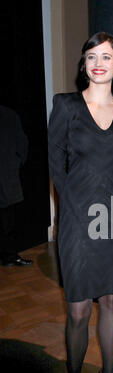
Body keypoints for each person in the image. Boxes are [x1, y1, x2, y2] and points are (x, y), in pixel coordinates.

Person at [48, 32, 113, 373]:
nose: (98, 62)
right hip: (77, 220)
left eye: (106, 56)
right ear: (83, 65)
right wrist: (74, 206)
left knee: (112, 302)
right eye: (90, 56)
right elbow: (54, 162)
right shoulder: (65, 106)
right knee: (78, 309)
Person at [0, 105, 33, 266]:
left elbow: (22, 143)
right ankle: (9, 256)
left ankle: (9, 256)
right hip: (7, 175)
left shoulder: (8, 115)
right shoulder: (8, 114)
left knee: (9, 222)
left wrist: (15, 163)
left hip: (6, 176)